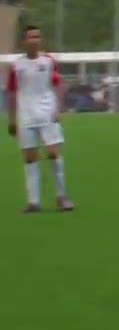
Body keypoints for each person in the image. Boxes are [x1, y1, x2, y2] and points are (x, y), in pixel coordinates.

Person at [5, 26, 73, 213]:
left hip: (47, 114)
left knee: (53, 153)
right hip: (26, 116)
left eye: (37, 36)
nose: (35, 40)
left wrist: (58, 108)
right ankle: (33, 202)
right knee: (30, 158)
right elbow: (12, 93)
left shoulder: (49, 61)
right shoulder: (17, 66)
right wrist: (11, 120)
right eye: (31, 37)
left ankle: (62, 197)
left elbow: (58, 85)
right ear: (24, 41)